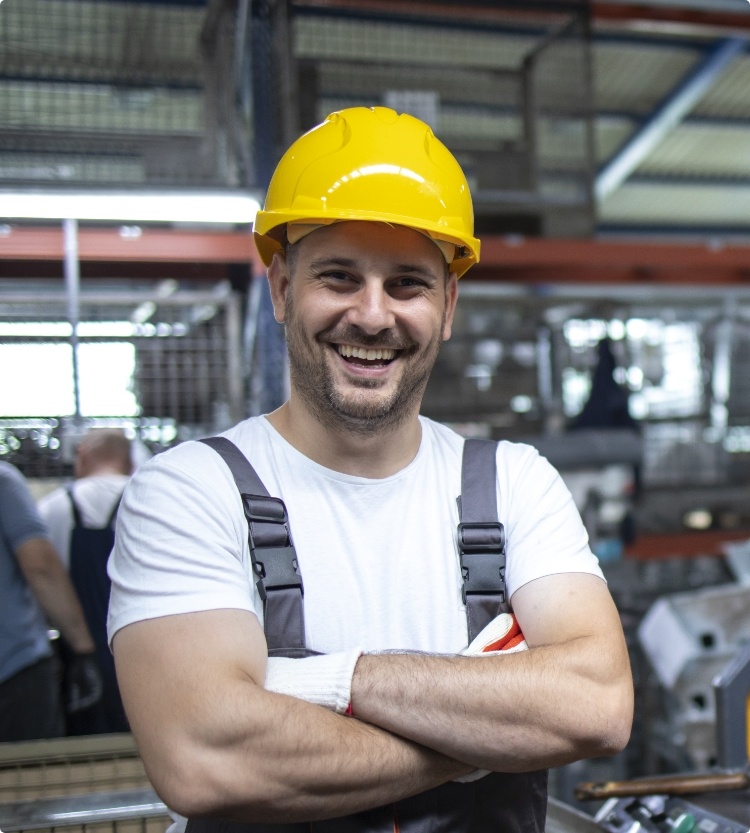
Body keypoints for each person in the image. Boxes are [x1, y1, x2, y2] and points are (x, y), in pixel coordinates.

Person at [108, 107, 633, 832]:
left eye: (408, 284)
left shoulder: (515, 483)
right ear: (282, 288)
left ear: (448, 305)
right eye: (339, 277)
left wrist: (326, 681)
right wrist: (490, 735)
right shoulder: (190, 491)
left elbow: (598, 705)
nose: (373, 315)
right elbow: (206, 756)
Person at [39, 428, 133, 734]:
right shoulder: (148, 499)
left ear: (82, 455)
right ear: (129, 460)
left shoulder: (51, 508)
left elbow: (41, 580)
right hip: (143, 648)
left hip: (79, 658)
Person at [0, 460, 102, 742]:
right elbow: (41, 567)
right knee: (34, 766)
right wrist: (84, 650)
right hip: (13, 673)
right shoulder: (3, 481)